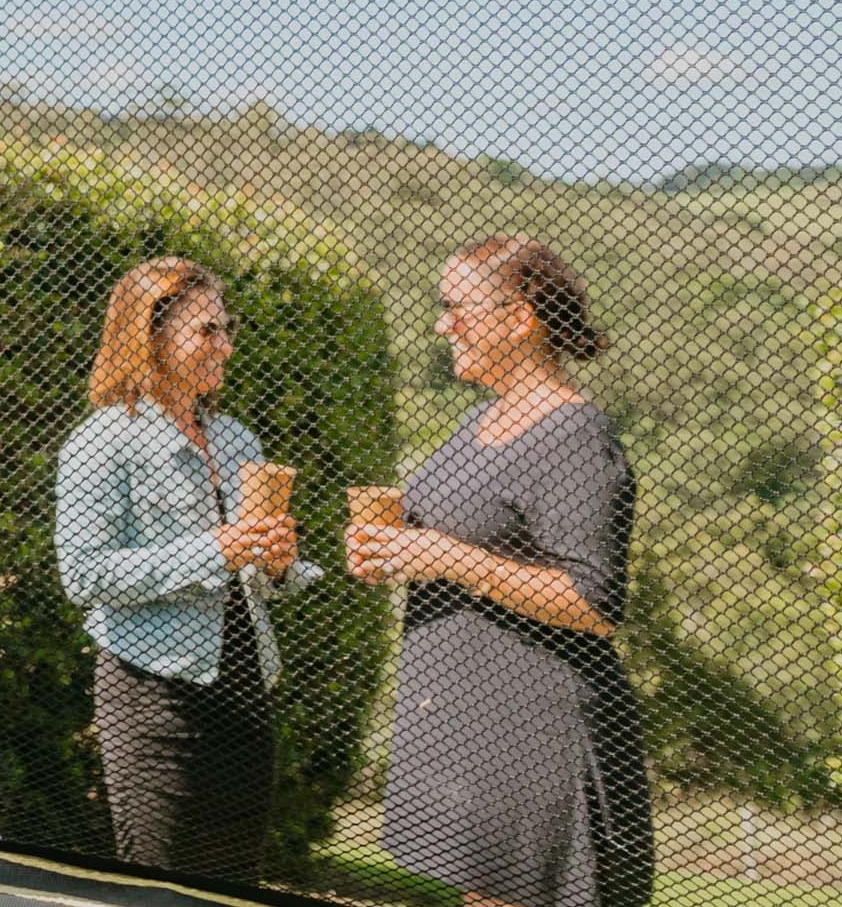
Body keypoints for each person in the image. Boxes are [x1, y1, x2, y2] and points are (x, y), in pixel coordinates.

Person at [348, 238, 651, 907]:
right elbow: (452, 545)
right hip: (471, 727)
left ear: (520, 319)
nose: (441, 323)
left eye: (456, 307)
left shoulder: (574, 435)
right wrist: (393, 552)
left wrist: (449, 558)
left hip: (538, 732)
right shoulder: (478, 420)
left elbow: (593, 600)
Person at [52, 257, 314, 884]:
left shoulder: (235, 439)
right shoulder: (102, 442)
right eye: (206, 331)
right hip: (155, 700)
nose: (225, 346)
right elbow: (83, 575)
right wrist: (216, 550)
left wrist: (279, 566)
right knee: (160, 886)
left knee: (234, 885)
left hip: (245, 695)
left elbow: (249, 573)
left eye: (226, 329)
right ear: (151, 336)